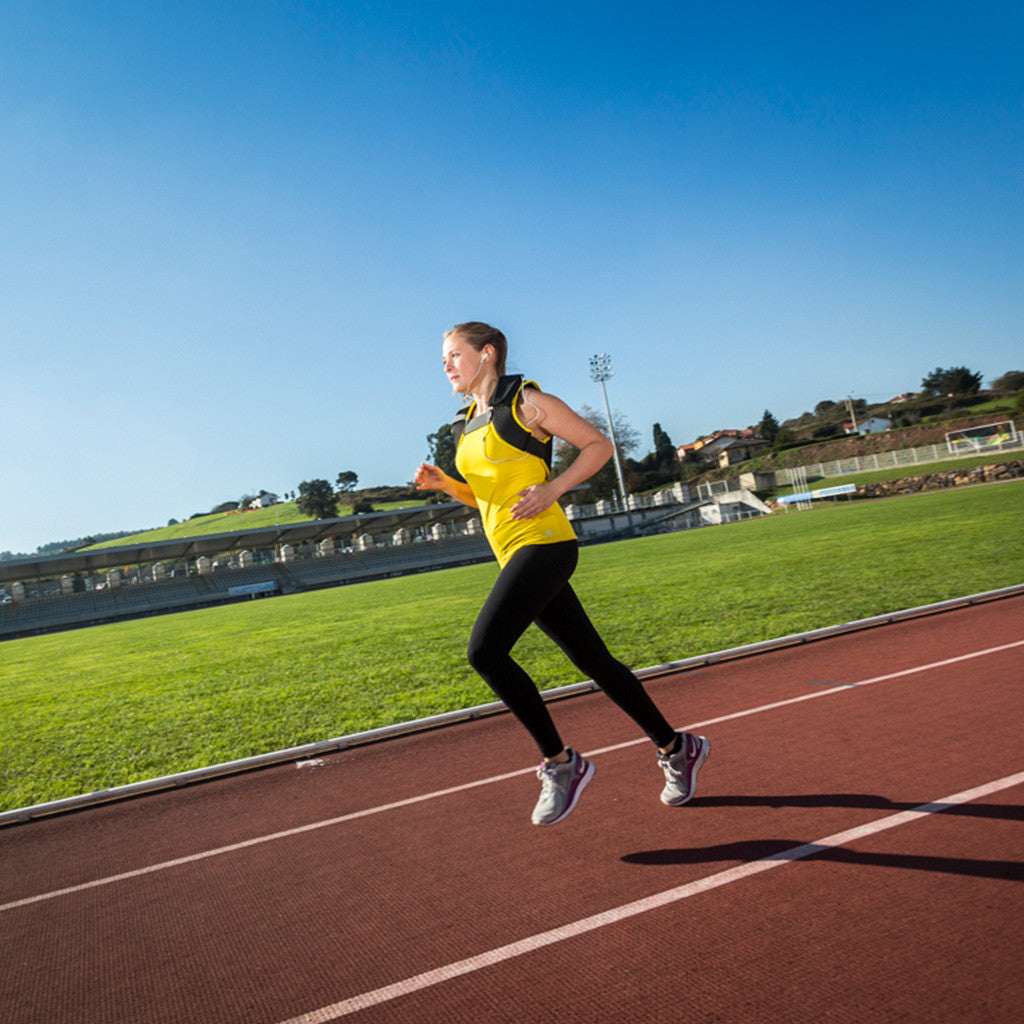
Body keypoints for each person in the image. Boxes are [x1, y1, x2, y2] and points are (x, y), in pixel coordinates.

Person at [415, 322, 709, 826]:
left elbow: (597, 446)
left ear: (486, 354)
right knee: (595, 661)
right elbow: (484, 496)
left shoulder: (527, 403)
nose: (445, 366)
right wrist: (446, 484)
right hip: (513, 553)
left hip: (546, 544)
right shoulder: (464, 424)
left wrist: (554, 490)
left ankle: (561, 762)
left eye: (453, 355)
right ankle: (676, 747)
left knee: (484, 652)